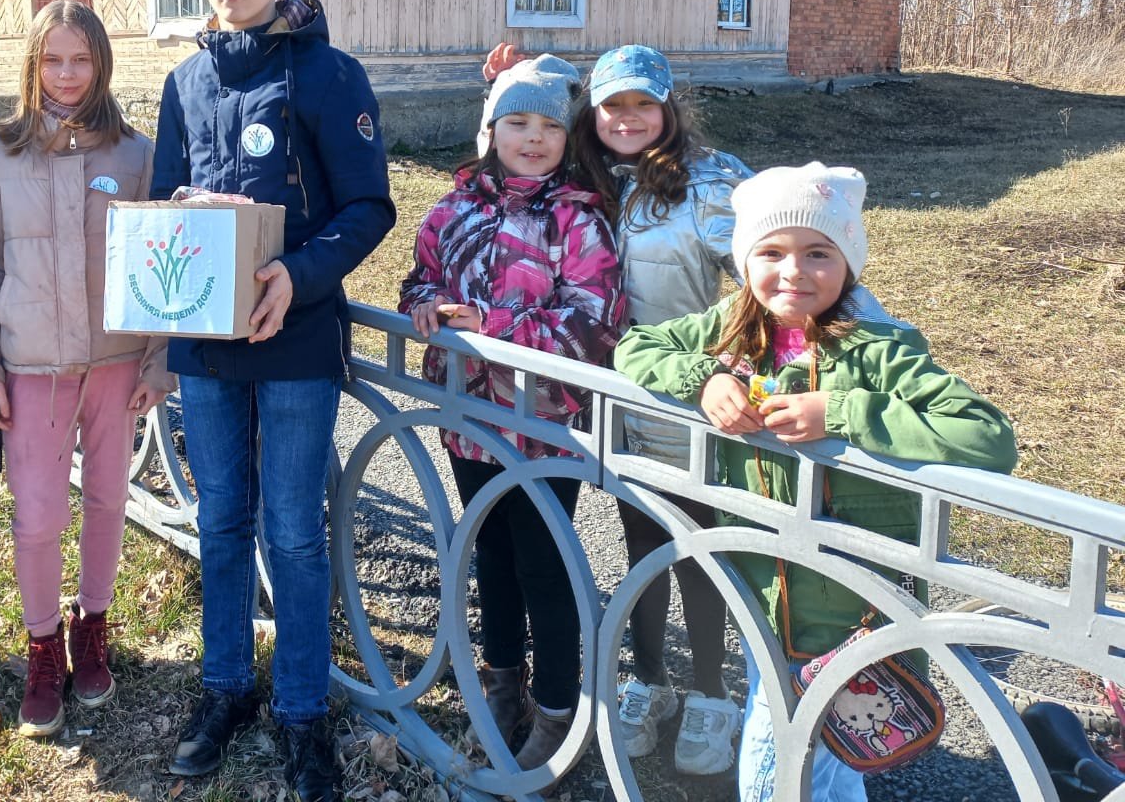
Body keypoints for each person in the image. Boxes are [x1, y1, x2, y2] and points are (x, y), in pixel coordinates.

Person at [613, 162, 1017, 802]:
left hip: (848, 613)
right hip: (760, 602)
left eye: (818, 252)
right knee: (810, 769)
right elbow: (635, 346)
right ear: (744, 260)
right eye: (770, 252)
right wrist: (706, 380)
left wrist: (844, 412)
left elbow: (987, 437)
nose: (793, 271)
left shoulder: (881, 349)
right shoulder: (731, 334)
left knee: (784, 776)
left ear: (849, 261)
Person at [151, 0, 395, 802]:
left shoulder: (329, 74)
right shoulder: (186, 82)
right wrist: (177, 218)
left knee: (292, 534)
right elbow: (168, 194)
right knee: (220, 521)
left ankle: (300, 709)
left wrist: (297, 273)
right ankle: (224, 689)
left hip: (292, 341)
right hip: (207, 346)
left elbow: (369, 205)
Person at [485, 41, 751, 774]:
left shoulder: (708, 181)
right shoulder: (587, 177)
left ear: (667, 108)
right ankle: (652, 682)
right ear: (592, 115)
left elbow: (773, 267)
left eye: (642, 103)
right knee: (639, 545)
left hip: (685, 399)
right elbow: (511, 152)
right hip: (607, 400)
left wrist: (736, 357)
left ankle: (711, 696)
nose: (627, 119)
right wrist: (509, 79)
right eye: (612, 106)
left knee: (696, 547)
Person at [398, 55, 625, 780]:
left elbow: (594, 324)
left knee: (544, 561)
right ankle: (503, 690)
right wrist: (423, 307)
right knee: (488, 552)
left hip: (543, 424)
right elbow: (420, 278)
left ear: (569, 134)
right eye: (517, 122)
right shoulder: (452, 209)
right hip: (468, 417)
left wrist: (490, 325)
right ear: (491, 128)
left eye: (549, 125)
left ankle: (560, 712)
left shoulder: (579, 221)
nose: (533, 138)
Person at [0, 0, 175, 738]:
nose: (66, 75)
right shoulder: (0, 155)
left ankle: (94, 625)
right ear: (32, 65)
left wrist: (158, 359)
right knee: (38, 515)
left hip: (116, 364)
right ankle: (44, 644)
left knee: (108, 501)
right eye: (52, 60)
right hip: (31, 364)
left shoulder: (135, 155)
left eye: (80, 60)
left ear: (101, 65)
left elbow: (157, 267)